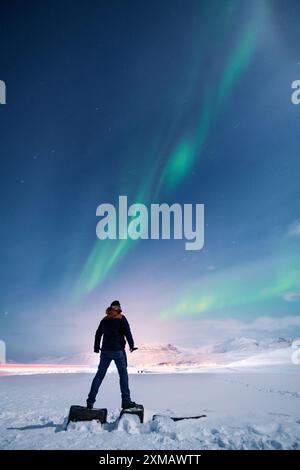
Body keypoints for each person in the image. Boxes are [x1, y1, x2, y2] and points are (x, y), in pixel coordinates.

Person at [86, 300, 137, 410]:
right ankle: (126, 402)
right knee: (123, 375)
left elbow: (98, 333)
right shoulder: (121, 318)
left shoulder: (105, 319)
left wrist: (96, 347)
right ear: (118, 307)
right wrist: (131, 345)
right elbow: (127, 332)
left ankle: (90, 402)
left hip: (105, 352)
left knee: (99, 376)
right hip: (118, 351)